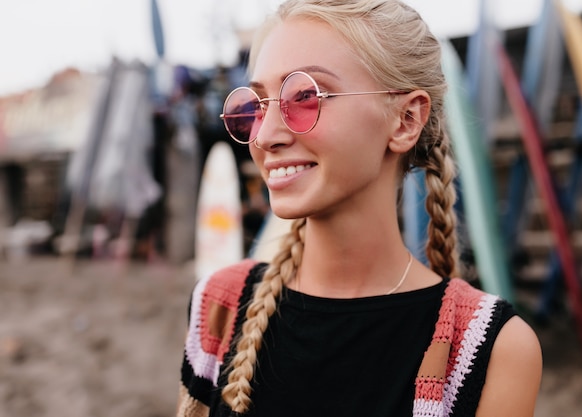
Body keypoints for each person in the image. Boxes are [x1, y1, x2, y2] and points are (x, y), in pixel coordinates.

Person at [176, 1, 543, 416]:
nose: (265, 136)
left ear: (405, 119)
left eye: (306, 96)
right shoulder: (219, 304)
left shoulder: (491, 352)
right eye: (257, 105)